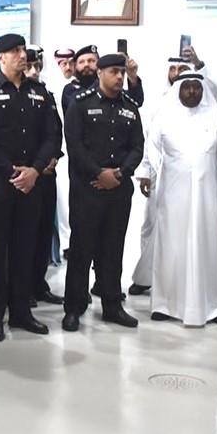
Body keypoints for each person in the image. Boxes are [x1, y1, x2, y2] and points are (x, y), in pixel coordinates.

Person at [0, 34, 60, 340]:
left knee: (25, 249)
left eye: (23, 49)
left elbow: (52, 136)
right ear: (0, 57)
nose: (22, 55)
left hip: (31, 184)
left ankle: (21, 312)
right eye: (15, 51)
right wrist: (12, 171)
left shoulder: (40, 92)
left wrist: (34, 170)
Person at [62, 53, 144, 331]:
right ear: (100, 73)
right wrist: (99, 174)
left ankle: (112, 305)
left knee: (113, 248)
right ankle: (74, 308)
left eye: (122, 72)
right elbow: (74, 146)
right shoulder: (80, 103)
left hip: (119, 188)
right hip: (88, 188)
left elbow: (137, 147)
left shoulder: (131, 107)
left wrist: (119, 174)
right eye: (113, 72)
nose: (120, 77)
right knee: (81, 249)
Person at [144, 72, 217, 327]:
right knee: (171, 245)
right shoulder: (164, 117)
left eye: (196, 87)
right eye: (187, 87)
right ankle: (165, 304)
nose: (192, 91)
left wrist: (204, 172)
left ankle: (213, 306)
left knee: (209, 245)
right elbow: (154, 151)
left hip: (208, 195)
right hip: (172, 195)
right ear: (178, 90)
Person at [130, 47, 213, 295]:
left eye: (181, 69)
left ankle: (181, 281)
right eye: (173, 69)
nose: (176, 73)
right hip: (160, 175)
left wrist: (200, 64)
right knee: (152, 226)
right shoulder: (158, 101)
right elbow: (147, 139)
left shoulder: (200, 98)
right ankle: (146, 277)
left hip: (194, 178)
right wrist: (145, 171)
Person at [23, 45, 64, 307]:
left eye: (37, 66)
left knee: (43, 233)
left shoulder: (45, 95)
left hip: (46, 174)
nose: (34, 72)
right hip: (25, 176)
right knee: (24, 237)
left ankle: (39, 284)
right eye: (29, 67)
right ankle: (22, 290)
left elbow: (55, 132)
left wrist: (50, 161)